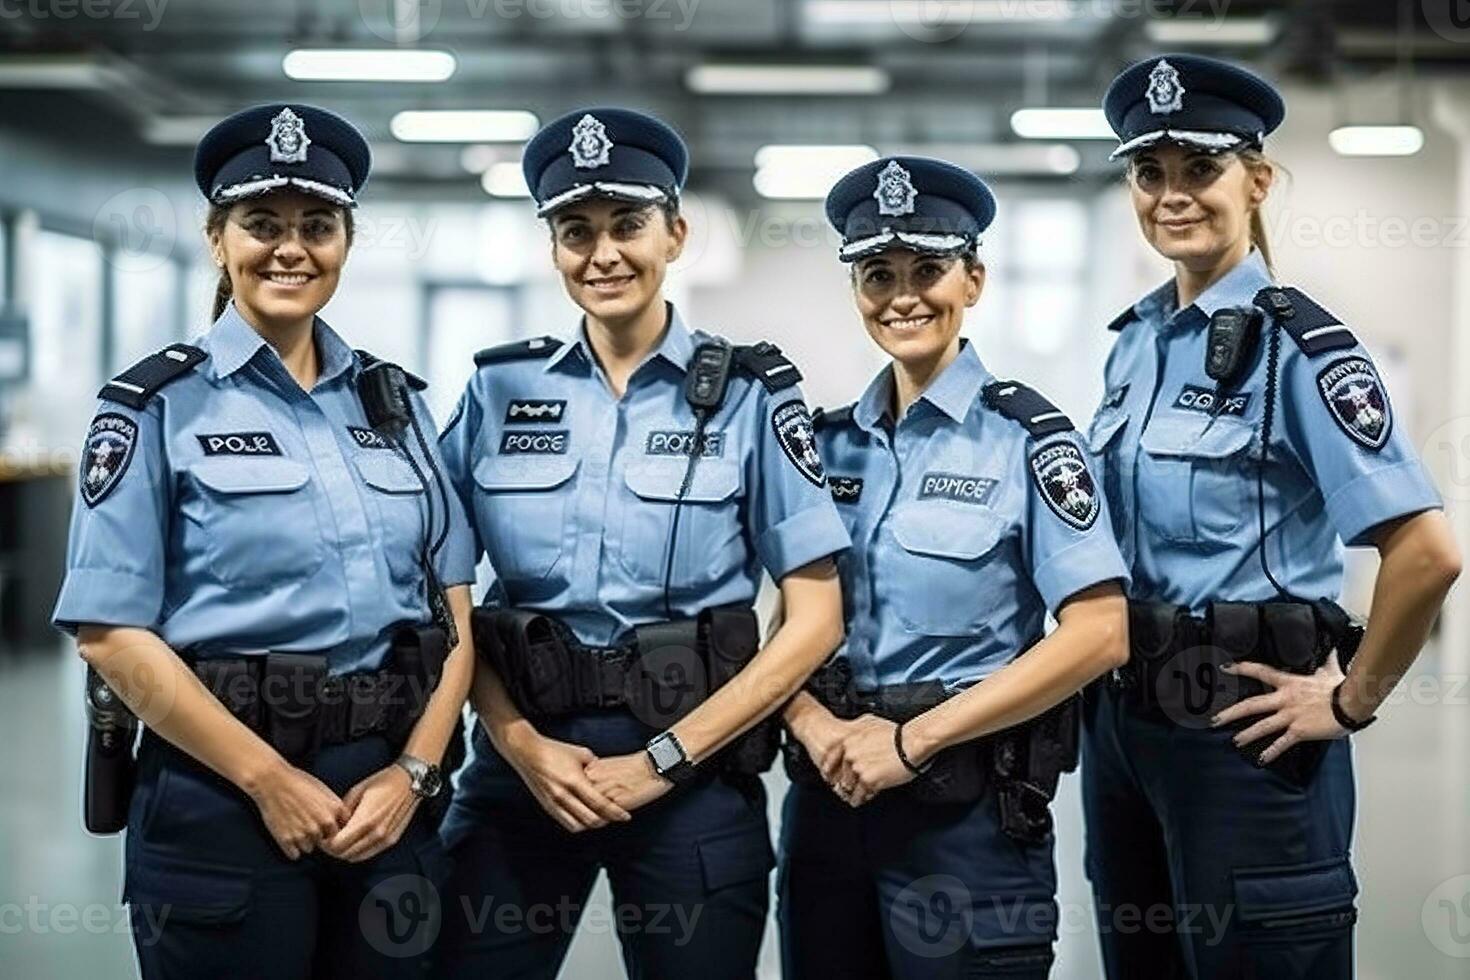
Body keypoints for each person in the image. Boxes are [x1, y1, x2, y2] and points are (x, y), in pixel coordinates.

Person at [52, 103, 478, 978]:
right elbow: (108, 632)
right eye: (262, 225)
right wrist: (267, 780)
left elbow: (455, 611)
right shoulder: (152, 408)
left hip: (383, 796)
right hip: (220, 793)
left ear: (346, 243)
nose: (291, 248)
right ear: (218, 238)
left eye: (316, 226)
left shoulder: (395, 407)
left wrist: (416, 773)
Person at [435, 107, 849, 978]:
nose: (603, 254)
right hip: (524, 770)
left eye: (627, 225)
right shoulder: (497, 390)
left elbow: (814, 619)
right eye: (574, 232)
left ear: (676, 234)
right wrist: (515, 742)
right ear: (551, 249)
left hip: (692, 773)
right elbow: (442, 596)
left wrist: (663, 761)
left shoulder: (752, 397)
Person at [1082, 54, 1462, 979]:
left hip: (1245, 741)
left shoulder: (1300, 349)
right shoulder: (1134, 346)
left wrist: (1350, 699)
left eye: (1199, 170)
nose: (1172, 196)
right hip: (1124, 737)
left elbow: (1426, 552)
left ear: (1257, 180)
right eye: (1149, 174)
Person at [776, 155, 1131, 980]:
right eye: (877, 274)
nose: (903, 296)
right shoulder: (824, 446)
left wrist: (911, 741)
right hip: (827, 808)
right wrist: (815, 725)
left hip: (967, 821)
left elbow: (1100, 633)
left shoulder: (1032, 443)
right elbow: (790, 626)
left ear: (973, 279)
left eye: (928, 269)